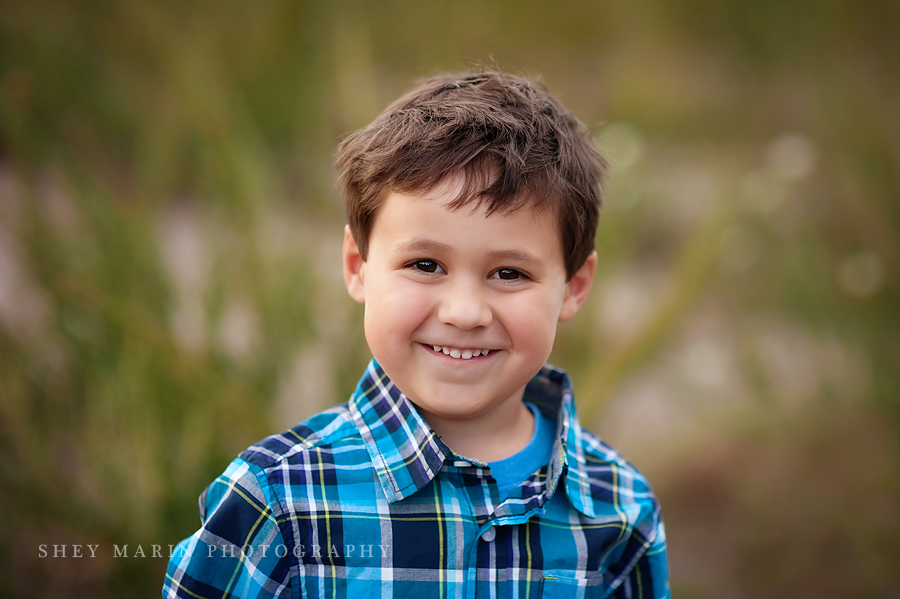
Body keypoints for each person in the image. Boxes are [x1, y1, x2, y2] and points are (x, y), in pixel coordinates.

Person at [163, 69, 669, 598]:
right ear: (358, 266)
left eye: (509, 274)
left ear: (574, 286)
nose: (465, 312)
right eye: (426, 264)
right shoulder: (279, 500)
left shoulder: (620, 508)